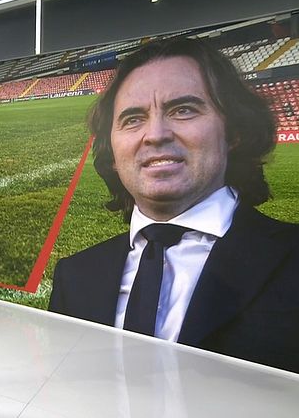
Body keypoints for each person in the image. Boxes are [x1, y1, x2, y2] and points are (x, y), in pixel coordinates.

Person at [48, 38, 299, 373]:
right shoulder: (75, 275)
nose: (155, 134)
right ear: (113, 150)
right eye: (133, 118)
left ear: (233, 131)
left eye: (183, 110)